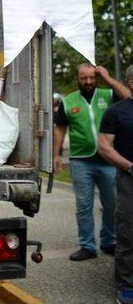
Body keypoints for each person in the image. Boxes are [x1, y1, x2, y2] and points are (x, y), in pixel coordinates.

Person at [53, 64, 131, 261]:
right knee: (84, 205)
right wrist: (56, 154)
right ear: (77, 79)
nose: (88, 82)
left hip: (109, 160)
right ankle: (87, 245)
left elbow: (128, 97)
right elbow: (60, 129)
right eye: (84, 78)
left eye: (91, 78)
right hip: (81, 161)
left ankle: (109, 241)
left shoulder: (107, 94)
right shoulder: (68, 101)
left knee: (112, 204)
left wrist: (109, 78)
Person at [98, 64, 133, 304]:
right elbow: (103, 146)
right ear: (131, 82)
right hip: (129, 180)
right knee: (128, 234)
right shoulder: (116, 112)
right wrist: (130, 166)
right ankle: (127, 286)